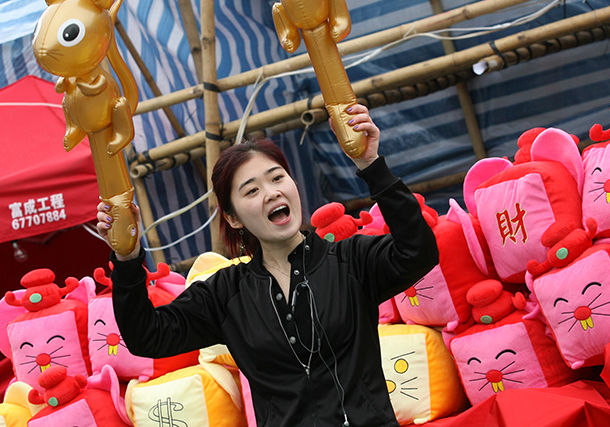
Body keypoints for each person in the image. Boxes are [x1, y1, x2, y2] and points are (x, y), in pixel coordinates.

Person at [98, 104, 438, 427]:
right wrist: (127, 258)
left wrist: (370, 164)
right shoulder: (225, 294)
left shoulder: (351, 261)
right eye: (251, 190)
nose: (271, 192)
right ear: (232, 218)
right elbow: (148, 337)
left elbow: (418, 252)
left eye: (277, 178)